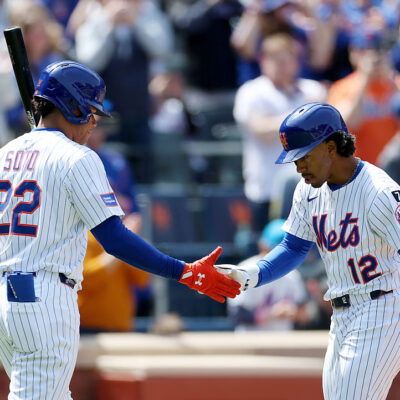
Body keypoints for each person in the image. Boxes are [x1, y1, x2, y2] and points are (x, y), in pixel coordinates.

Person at [0, 60, 240, 399]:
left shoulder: (5, 153)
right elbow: (114, 239)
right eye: (91, 112)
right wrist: (183, 271)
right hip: (43, 297)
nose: (94, 123)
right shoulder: (77, 157)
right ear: (72, 107)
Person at [219, 102, 400, 399]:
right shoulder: (308, 190)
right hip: (342, 314)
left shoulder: (378, 192)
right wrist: (253, 274)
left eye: (304, 156)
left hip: (383, 306)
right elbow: (293, 246)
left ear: (331, 146)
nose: (298, 165)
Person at [233, 33, 326, 236]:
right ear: (263, 60)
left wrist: (285, 121)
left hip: (311, 189)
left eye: (287, 59)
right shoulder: (251, 91)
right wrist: (303, 117)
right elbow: (261, 131)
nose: (282, 65)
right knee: (269, 253)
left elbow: (326, 130)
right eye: (275, 59)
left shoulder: (312, 89)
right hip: (266, 190)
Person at [228, 219, 309, 331]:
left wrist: (294, 312)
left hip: (283, 344)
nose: (278, 256)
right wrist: (271, 313)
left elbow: (304, 313)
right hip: (250, 343)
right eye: (274, 249)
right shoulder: (245, 269)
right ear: (262, 246)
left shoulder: (293, 275)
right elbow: (237, 313)